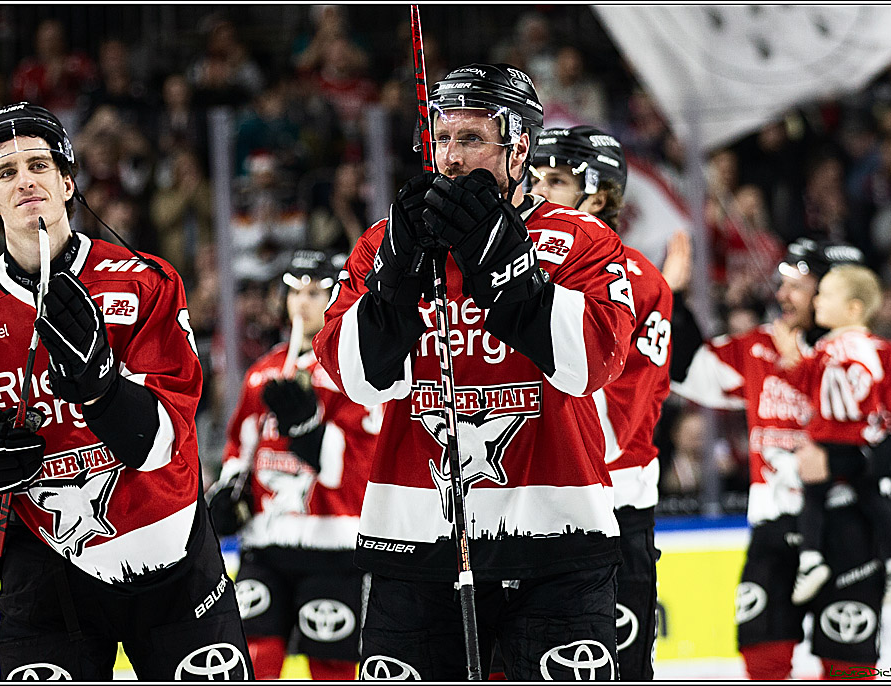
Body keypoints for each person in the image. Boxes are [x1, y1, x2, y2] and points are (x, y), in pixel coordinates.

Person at [0, 102, 252, 680]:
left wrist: (102, 386)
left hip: (171, 552)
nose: (25, 180)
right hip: (45, 562)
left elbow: (161, 441)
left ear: (67, 182)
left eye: (38, 164)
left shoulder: (145, 281)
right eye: (5, 172)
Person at [312, 63, 636, 681]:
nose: (450, 158)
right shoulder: (389, 241)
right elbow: (356, 379)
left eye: (470, 139)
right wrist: (394, 287)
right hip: (413, 536)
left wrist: (505, 267)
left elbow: (592, 363)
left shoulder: (580, 238)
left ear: (519, 147)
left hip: (555, 538)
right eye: (442, 137)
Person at [671, 238, 891, 679]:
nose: (782, 296)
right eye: (782, 284)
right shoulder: (759, 348)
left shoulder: (876, 358)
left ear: (835, 291)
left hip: (850, 529)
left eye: (798, 286)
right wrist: (672, 298)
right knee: (763, 661)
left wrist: (842, 465)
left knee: (849, 670)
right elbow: (688, 371)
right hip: (774, 528)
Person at [529, 125, 673, 680]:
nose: (536, 190)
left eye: (556, 180)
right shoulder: (503, 263)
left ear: (598, 197)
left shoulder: (634, 278)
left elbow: (623, 409)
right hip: (529, 500)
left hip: (608, 503)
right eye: (533, 175)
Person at [208, 249, 381, 681]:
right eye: (294, 291)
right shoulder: (262, 373)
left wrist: (311, 435)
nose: (302, 302)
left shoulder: (355, 372)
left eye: (314, 291)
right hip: (265, 545)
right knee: (250, 659)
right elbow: (239, 449)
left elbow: (359, 464)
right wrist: (228, 492)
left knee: (334, 665)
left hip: (333, 547)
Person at [772, 264, 891, 605]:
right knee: (871, 497)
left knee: (814, 496)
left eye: (825, 295)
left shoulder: (832, 349)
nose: (816, 300)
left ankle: (811, 559)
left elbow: (807, 385)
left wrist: (790, 357)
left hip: (835, 443)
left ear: (853, 308)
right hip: (866, 444)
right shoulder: (882, 349)